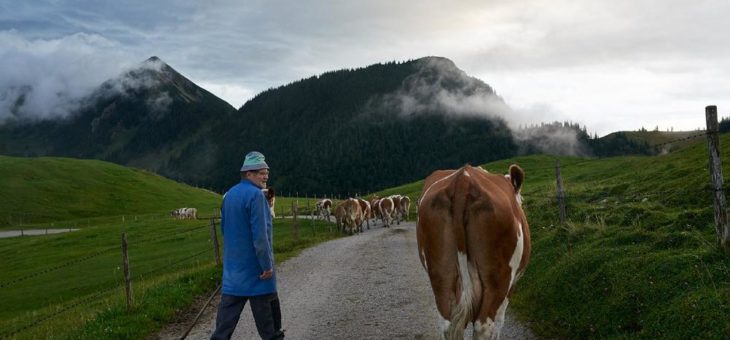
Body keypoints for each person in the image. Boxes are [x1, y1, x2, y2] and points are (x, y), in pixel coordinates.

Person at [211, 151, 284, 340]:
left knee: (223, 329)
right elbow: (261, 237)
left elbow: (224, 229)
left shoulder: (229, 196)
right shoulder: (256, 197)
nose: (266, 176)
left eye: (266, 172)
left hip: (233, 274)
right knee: (270, 329)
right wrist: (267, 266)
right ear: (248, 174)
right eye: (261, 172)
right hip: (258, 274)